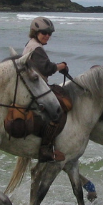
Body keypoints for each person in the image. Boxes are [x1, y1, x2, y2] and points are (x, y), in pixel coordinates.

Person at [23, 16, 70, 163]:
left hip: (32, 85)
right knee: (56, 112)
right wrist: (62, 65)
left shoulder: (32, 45)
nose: (47, 36)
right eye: (44, 32)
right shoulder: (36, 48)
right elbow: (47, 68)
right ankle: (45, 148)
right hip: (34, 88)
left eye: (50, 33)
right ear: (35, 32)